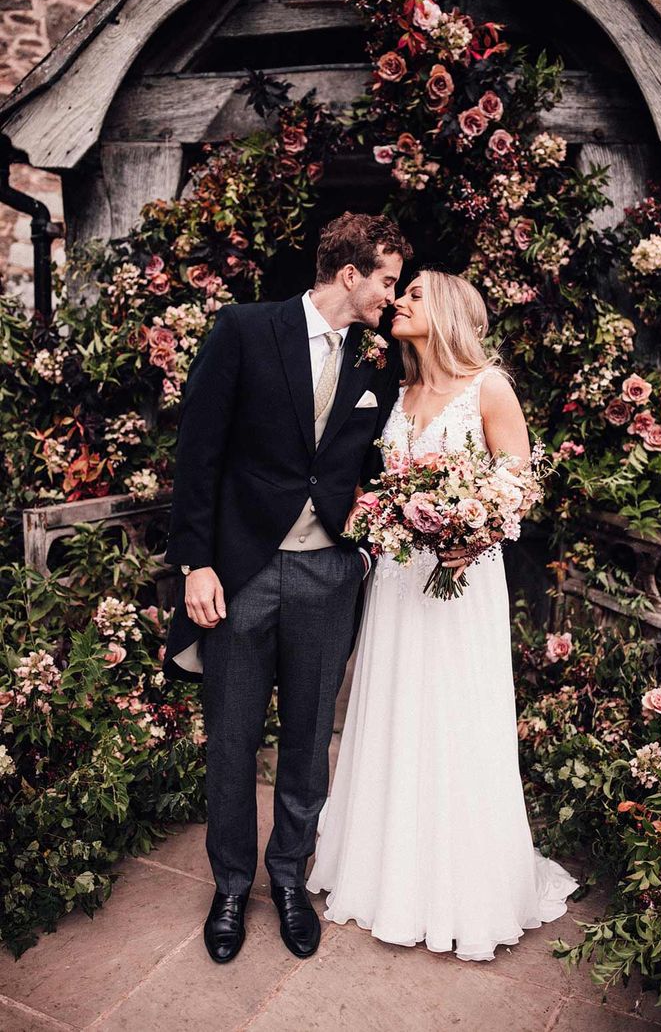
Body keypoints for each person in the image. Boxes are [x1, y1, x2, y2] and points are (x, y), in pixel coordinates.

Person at [162, 212, 413, 963]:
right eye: (388, 281)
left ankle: (290, 881)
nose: (392, 298)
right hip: (241, 571)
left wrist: (362, 555)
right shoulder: (244, 329)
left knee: (308, 741)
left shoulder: (377, 362)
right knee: (234, 740)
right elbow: (197, 453)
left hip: (329, 574)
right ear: (350, 274)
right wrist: (195, 563)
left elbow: (379, 467)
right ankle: (232, 887)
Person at [307, 269, 578, 960]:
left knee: (456, 715)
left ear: (450, 311)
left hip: (461, 578)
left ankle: (462, 889)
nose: (399, 300)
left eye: (415, 293)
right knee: (396, 709)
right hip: (399, 579)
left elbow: (518, 482)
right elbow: (383, 482)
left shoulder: (488, 386)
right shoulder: (396, 393)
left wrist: (475, 533)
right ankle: (385, 874)